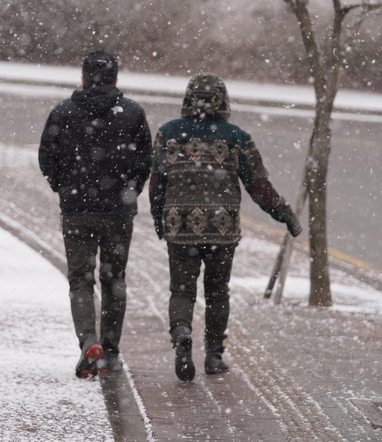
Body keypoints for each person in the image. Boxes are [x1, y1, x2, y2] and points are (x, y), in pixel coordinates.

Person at [150, 73, 302, 381]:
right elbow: (258, 186)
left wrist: (158, 218)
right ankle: (214, 355)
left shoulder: (168, 133)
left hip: (180, 226)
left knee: (181, 290)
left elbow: (157, 183)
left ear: (188, 99)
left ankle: (181, 335)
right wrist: (284, 214)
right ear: (224, 101)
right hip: (222, 228)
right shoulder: (236, 137)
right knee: (218, 291)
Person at [38, 51, 153, 378]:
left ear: (83, 78)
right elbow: (145, 160)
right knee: (114, 279)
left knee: (80, 280)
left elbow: (46, 157)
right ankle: (111, 353)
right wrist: (129, 190)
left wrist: (64, 187)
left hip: (77, 211)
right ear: (116, 79)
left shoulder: (63, 112)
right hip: (118, 212)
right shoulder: (132, 113)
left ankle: (89, 340)